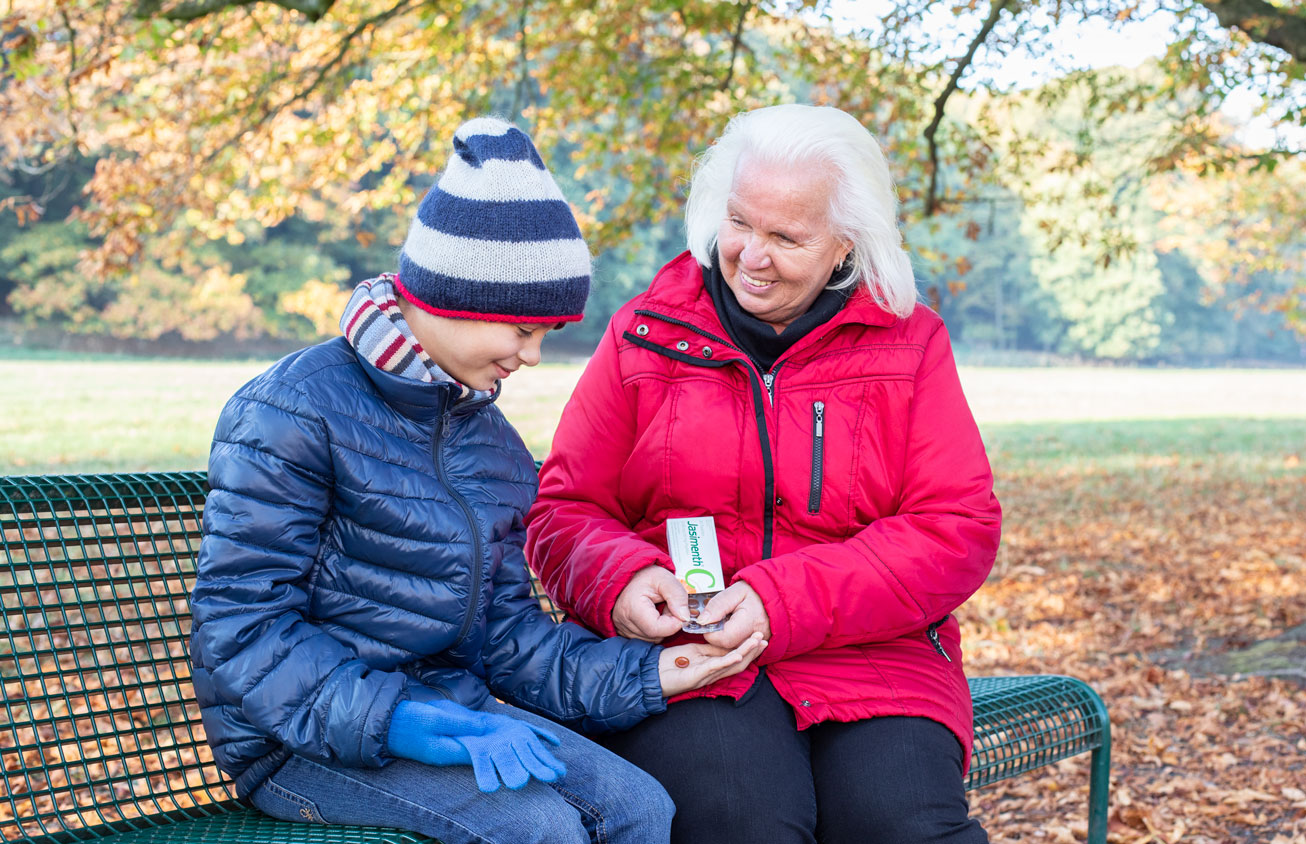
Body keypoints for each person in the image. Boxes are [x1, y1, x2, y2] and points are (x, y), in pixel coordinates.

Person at [189, 116, 765, 844]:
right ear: (453, 295)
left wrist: (651, 675)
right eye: (521, 330)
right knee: (540, 831)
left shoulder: (490, 443)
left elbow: (505, 637)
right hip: (301, 739)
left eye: (545, 336)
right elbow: (242, 626)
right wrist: (403, 721)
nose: (531, 357)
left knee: (640, 807)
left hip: (455, 710)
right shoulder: (294, 409)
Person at [525, 104, 1003, 844]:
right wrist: (618, 581)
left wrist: (781, 603)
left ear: (847, 243)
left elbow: (955, 531)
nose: (751, 254)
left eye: (786, 237)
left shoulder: (910, 343)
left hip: (874, 652)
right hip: (691, 656)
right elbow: (564, 511)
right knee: (741, 823)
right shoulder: (644, 334)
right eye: (741, 222)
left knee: (902, 824)